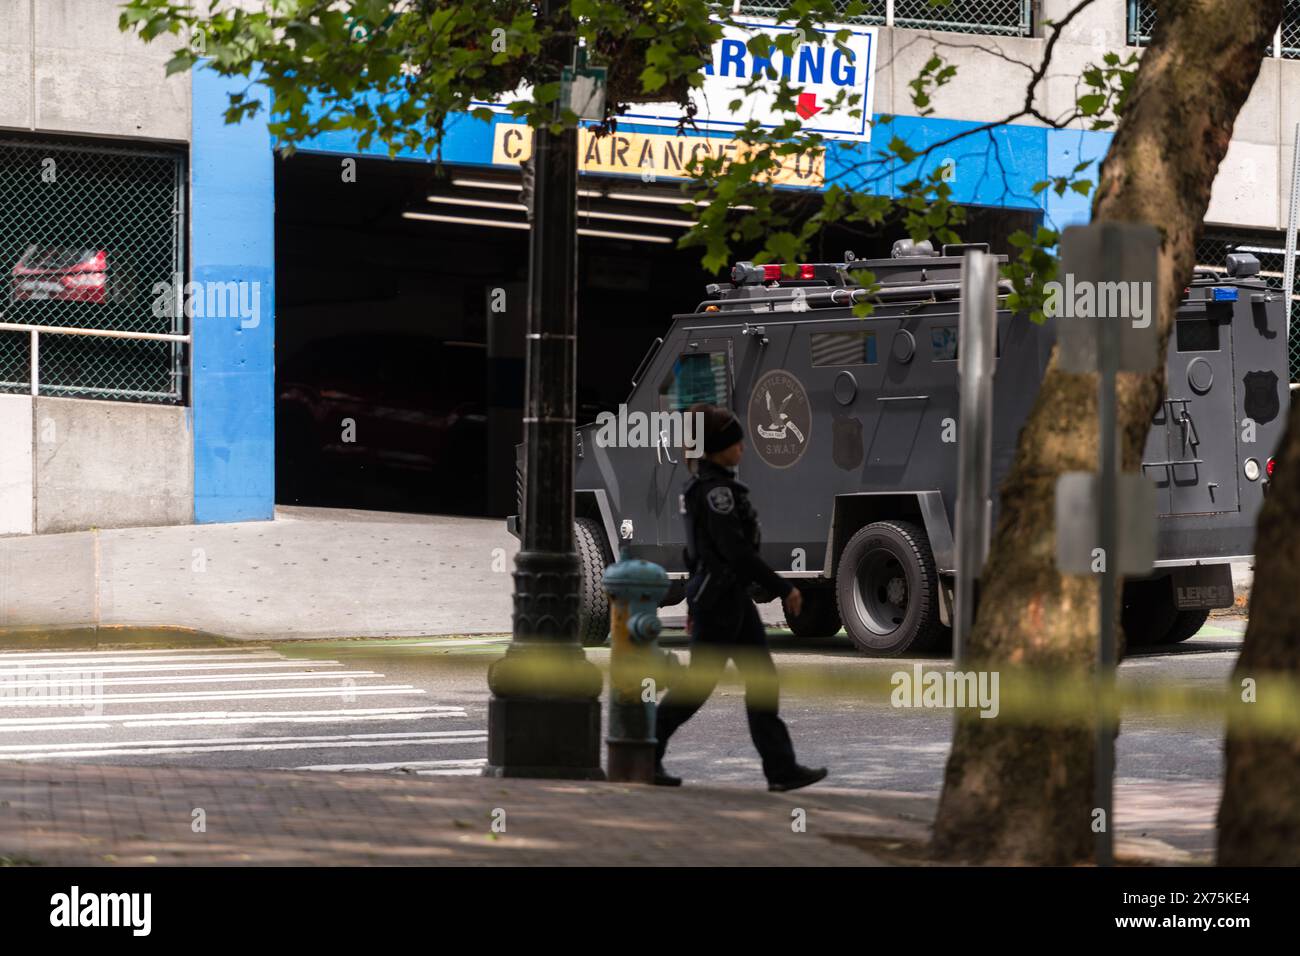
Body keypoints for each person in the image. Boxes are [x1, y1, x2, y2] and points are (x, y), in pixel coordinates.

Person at [654, 403, 828, 792]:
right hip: (720, 601)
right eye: (736, 441)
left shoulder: (708, 487)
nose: (743, 447)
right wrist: (785, 587)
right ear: (719, 447)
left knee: (762, 680)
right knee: (699, 685)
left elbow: (701, 551)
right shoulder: (717, 493)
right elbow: (736, 552)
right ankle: (644, 749)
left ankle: (781, 769)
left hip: (727, 599)